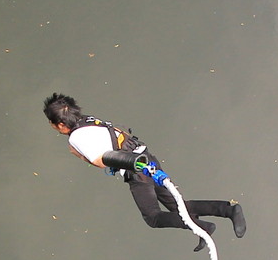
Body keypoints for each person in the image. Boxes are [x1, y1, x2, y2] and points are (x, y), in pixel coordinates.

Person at [42, 93, 245, 247]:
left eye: (51, 124)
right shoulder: (88, 120)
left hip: (137, 168)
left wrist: (78, 154)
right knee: (178, 205)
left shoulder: (76, 137)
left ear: (60, 124)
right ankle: (228, 209)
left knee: (153, 217)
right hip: (145, 156)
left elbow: (100, 161)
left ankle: (204, 227)